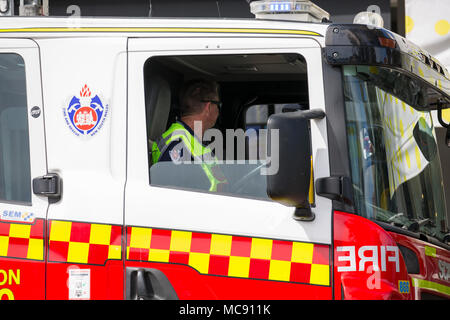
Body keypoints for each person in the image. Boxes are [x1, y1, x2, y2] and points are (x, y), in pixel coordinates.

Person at [151, 79, 227, 192]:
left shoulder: (194, 141)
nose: (218, 111)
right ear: (209, 107)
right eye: (218, 105)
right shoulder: (177, 144)